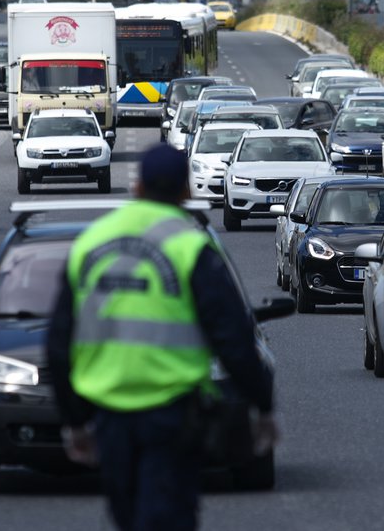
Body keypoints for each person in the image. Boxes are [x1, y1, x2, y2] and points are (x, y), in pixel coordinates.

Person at [47, 144, 277, 531]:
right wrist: (263, 406)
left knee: (128, 516)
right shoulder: (190, 246)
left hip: (108, 413)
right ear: (186, 191)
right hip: (173, 413)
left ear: (136, 187)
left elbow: (58, 343)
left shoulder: (89, 243)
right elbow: (233, 337)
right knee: (166, 516)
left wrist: (73, 420)